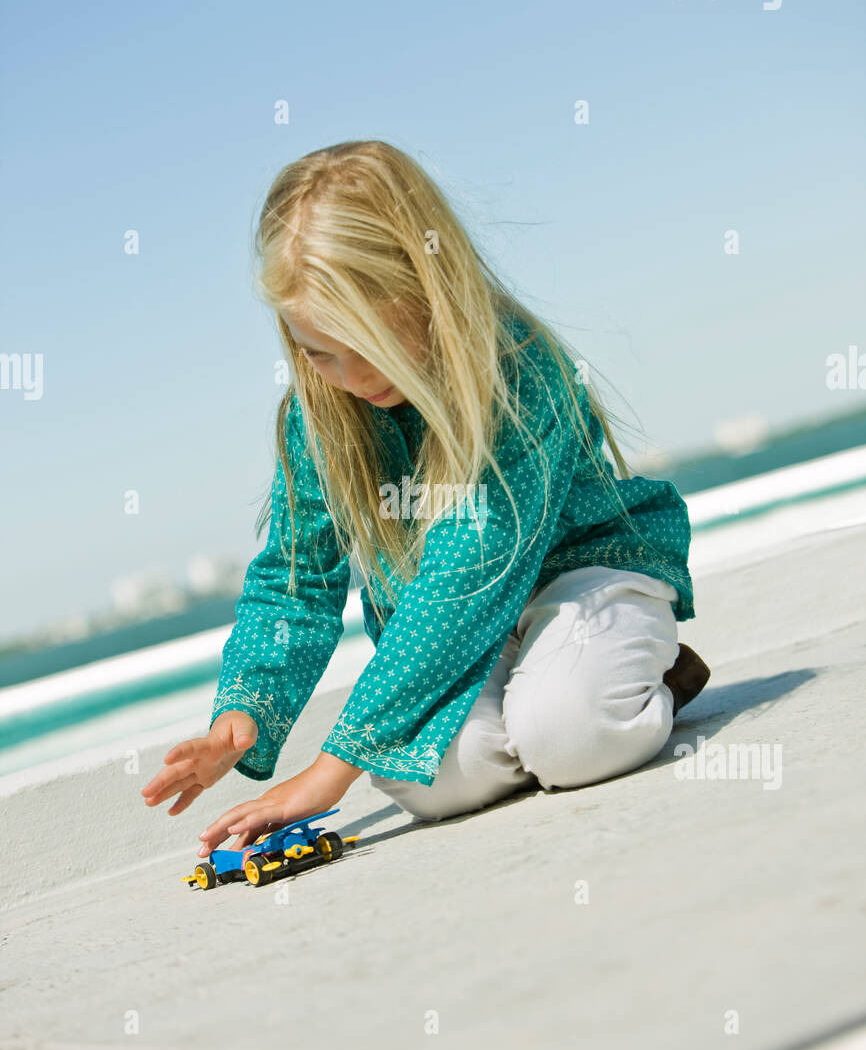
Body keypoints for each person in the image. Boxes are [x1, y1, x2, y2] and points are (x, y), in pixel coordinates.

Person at [142, 140, 709, 851]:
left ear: (427, 285)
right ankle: (553, 705)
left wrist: (330, 770)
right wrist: (246, 709)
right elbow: (296, 580)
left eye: (369, 342)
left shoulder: (518, 370)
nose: (349, 376)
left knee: (569, 734)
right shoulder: (319, 415)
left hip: (579, 576)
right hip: (453, 634)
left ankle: (629, 682)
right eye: (319, 352)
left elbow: (466, 574)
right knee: (437, 781)